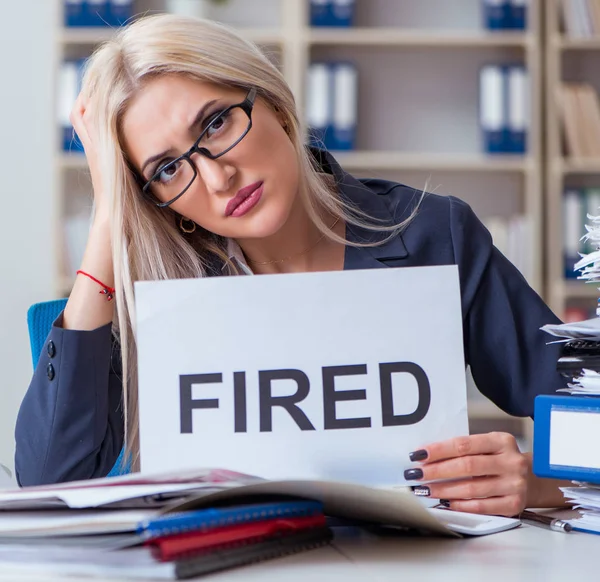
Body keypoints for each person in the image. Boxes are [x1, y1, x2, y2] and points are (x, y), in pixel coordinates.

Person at [15, 14, 569, 515]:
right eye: (165, 170)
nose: (216, 178)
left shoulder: (432, 234)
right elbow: (52, 483)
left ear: (274, 103)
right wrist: (110, 219)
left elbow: (583, 418)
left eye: (214, 124)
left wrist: (539, 480)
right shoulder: (163, 292)